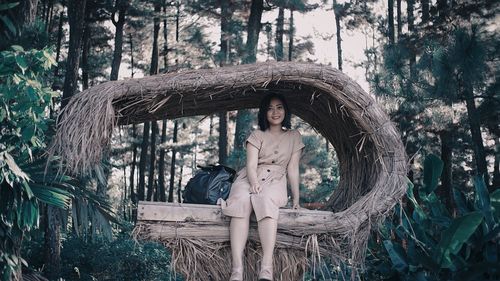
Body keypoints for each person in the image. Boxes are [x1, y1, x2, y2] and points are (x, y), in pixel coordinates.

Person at [219, 93, 305, 281]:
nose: (275, 112)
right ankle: (237, 269)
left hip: (276, 179)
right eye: (270, 108)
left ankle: (266, 268)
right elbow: (250, 165)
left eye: (279, 107)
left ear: (285, 110)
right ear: (264, 113)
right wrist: (254, 183)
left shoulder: (294, 136)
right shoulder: (256, 135)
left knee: (265, 200)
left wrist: (296, 199)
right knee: (241, 200)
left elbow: (292, 169)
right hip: (250, 177)